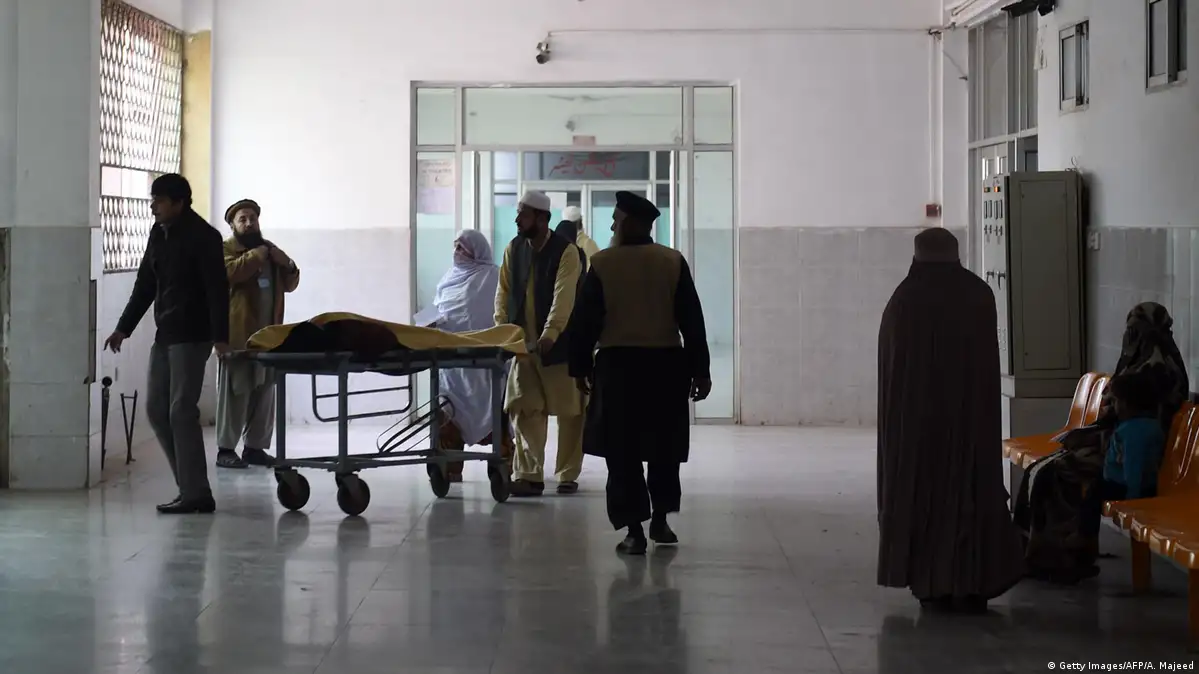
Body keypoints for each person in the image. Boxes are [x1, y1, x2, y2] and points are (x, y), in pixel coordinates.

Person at [876, 228, 1023, 611]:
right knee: (969, 495)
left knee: (925, 498)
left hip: (919, 431)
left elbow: (893, 378)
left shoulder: (905, 300)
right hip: (972, 424)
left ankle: (931, 583)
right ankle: (973, 581)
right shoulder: (978, 295)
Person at [569, 191, 711, 555]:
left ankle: (634, 532)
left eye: (616, 220)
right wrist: (700, 371)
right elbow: (692, 320)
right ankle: (660, 520)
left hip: (618, 368)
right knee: (664, 449)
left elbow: (585, 322)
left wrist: (580, 366)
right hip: (666, 367)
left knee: (622, 453)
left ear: (631, 223)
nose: (612, 227)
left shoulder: (603, 264)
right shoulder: (672, 261)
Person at [1018, 301, 1188, 583]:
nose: (1129, 336)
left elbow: (1139, 425)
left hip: (1131, 454)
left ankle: (1061, 557)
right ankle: (1033, 554)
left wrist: (1095, 434)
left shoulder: (1158, 370)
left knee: (1054, 473)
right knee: (1038, 468)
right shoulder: (1139, 361)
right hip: (1115, 443)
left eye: (1135, 331)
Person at [104, 174, 230, 515]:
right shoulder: (157, 234)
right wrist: (123, 328)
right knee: (157, 409)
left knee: (181, 410)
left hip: (194, 334)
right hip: (166, 334)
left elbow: (218, 290)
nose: (153, 207)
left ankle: (196, 493)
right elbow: (145, 284)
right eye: (153, 200)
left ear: (179, 203)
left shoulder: (205, 237)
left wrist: (221, 338)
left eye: (159, 201)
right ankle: (190, 488)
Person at [495, 191, 586, 497]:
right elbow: (503, 292)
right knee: (525, 408)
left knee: (570, 412)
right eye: (518, 213)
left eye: (523, 214)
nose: (517, 219)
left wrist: (551, 333)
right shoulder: (514, 249)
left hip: (559, 345)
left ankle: (567, 474)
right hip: (523, 347)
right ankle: (529, 475)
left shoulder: (567, 252)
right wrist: (502, 330)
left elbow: (564, 296)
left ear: (542, 218)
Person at [215, 199, 300, 470]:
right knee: (236, 392)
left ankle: (255, 448)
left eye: (253, 218)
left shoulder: (269, 249)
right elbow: (229, 273)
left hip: (269, 337)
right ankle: (225, 450)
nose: (249, 223)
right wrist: (257, 256)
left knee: (264, 393)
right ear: (232, 225)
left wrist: (287, 263)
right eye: (243, 219)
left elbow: (290, 284)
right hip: (237, 336)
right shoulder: (226, 249)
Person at [430, 230, 514, 482]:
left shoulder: (492, 277)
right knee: (448, 412)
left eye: (462, 248)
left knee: (496, 413)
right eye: (455, 247)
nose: (456, 253)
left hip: (485, 364)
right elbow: (443, 312)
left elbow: (490, 315)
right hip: (452, 366)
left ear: (476, 251)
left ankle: (502, 462)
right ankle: (451, 466)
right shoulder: (448, 279)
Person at [1078, 371, 1166, 547]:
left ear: (1126, 404)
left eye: (1116, 401)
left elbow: (1134, 465)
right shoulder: (1150, 425)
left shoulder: (1132, 431)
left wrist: (1133, 497)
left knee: (1092, 494)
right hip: (1140, 484)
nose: (1114, 406)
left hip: (1125, 487)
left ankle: (1084, 539)